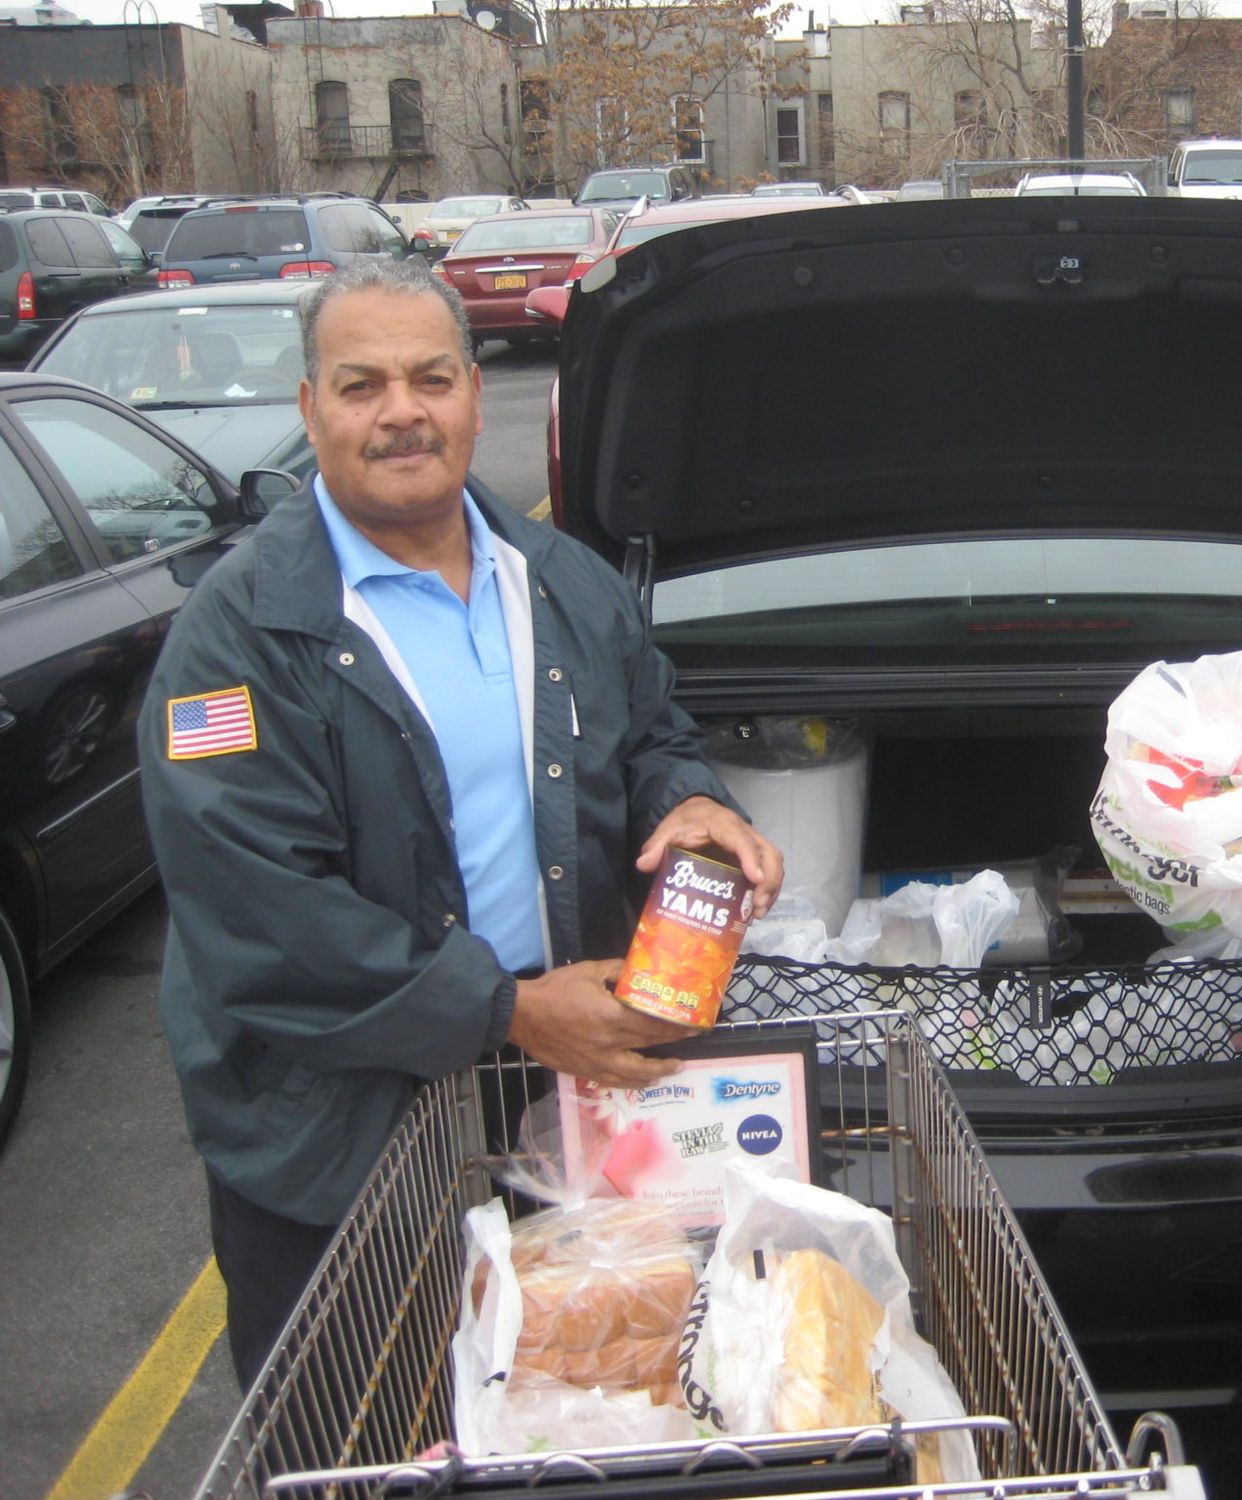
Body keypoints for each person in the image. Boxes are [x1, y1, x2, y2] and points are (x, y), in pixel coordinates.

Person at [138, 257, 783, 1386]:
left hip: (556, 1107)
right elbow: (260, 917)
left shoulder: (563, 581)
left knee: (578, 1410)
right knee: (366, 1433)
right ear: (309, 409)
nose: (401, 413)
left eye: (431, 378)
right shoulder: (238, 638)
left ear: (475, 394)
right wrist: (508, 1008)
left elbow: (648, 735)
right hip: (337, 1150)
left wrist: (688, 802)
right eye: (360, 385)